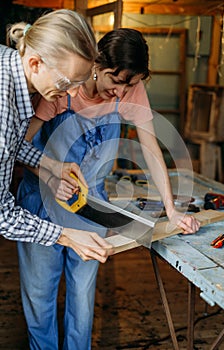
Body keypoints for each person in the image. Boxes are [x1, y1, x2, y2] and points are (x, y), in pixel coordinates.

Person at [17, 28, 201, 350]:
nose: (121, 92)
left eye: (129, 84)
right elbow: (20, 144)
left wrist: (172, 209)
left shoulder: (131, 86)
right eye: (115, 81)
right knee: (40, 295)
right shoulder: (65, 87)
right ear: (96, 66)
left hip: (91, 206)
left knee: (82, 296)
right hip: (43, 203)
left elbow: (150, 148)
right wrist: (49, 177)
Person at [0, 9, 113, 263]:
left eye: (80, 83)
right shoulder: (3, 105)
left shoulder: (11, 61)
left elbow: (13, 143)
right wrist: (67, 235)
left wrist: (53, 165)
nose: (72, 94)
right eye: (67, 83)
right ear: (35, 63)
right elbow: (1, 214)